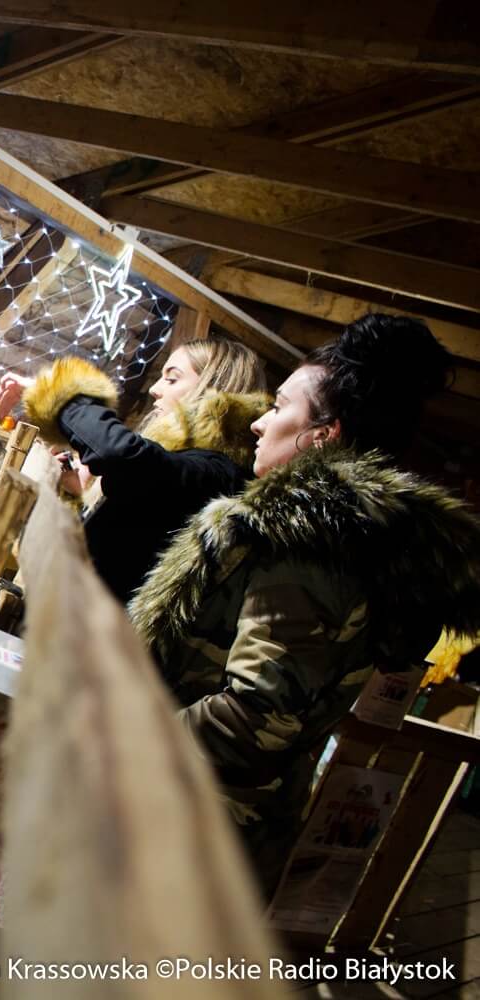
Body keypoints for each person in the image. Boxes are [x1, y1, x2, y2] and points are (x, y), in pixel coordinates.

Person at [126, 314, 480, 893]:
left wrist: (118, 732)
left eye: (280, 406)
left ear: (323, 434)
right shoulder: (352, 541)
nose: (261, 421)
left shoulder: (308, 547)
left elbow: (257, 716)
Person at [0, 337, 269, 603]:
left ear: (213, 391)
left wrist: (53, 394)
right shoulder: (182, 466)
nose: (155, 389)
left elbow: (120, 454)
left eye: (172, 378)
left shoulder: (217, 473)